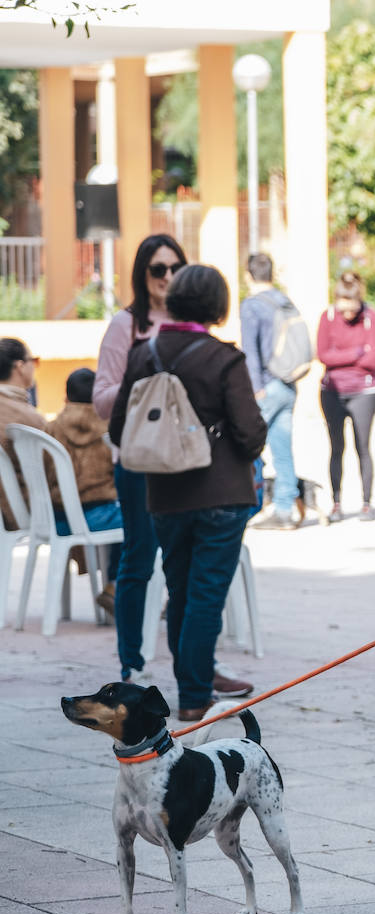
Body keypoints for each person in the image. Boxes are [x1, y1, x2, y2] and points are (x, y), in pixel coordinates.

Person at [109, 265, 267, 722]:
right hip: (221, 494)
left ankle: (191, 690)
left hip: (165, 496)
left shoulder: (143, 355)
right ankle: (195, 696)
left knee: (180, 594)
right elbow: (250, 433)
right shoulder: (224, 358)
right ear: (217, 305)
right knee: (205, 597)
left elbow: (120, 426)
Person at [92, 234, 193, 687]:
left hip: (188, 461)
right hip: (138, 458)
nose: (167, 277)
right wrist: (146, 377)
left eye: (175, 268)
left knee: (185, 561)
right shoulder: (126, 325)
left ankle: (190, 664)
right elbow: (100, 399)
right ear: (142, 274)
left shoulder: (193, 324)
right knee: (138, 557)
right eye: (158, 269)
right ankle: (131, 663)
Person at [47, 368, 123, 611]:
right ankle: (115, 584)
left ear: (66, 398)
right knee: (137, 520)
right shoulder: (111, 428)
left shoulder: (49, 429)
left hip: (56, 520)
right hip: (99, 516)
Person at [241, 253, 302, 531]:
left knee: (247, 444)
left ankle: (247, 504)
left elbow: (250, 352)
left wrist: (255, 389)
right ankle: (285, 510)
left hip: (266, 385)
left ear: (248, 275)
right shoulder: (284, 301)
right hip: (289, 383)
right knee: (282, 448)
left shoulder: (252, 306)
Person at [317, 272, 375, 523]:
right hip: (332, 391)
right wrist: (356, 352)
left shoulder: (370, 318)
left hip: (363, 391)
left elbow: (373, 359)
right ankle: (336, 502)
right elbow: (323, 355)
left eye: (352, 309)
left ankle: (367, 503)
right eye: (343, 308)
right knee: (336, 448)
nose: (347, 315)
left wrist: (341, 356)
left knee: (362, 447)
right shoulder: (328, 317)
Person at [0, 337, 46, 530]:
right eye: (33, 361)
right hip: (22, 507)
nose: (34, 367)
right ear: (19, 366)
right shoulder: (27, 416)